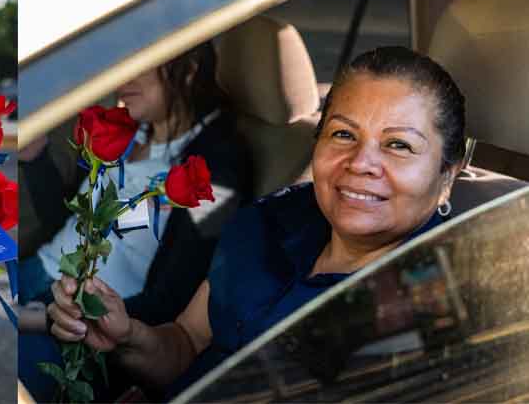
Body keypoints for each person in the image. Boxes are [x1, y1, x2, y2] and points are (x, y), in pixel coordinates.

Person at [47, 46, 467, 399]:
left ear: (446, 176)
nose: (360, 163)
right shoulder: (273, 219)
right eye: (342, 134)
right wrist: (129, 337)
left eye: (398, 145)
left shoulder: (424, 304)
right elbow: (188, 341)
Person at [18, 41, 252, 402]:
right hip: (36, 276)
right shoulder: (130, 131)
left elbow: (173, 298)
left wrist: (46, 317)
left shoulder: (217, 171)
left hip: (82, 328)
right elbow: (72, 224)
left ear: (187, 67)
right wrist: (35, 158)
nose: (120, 78)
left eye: (138, 62)